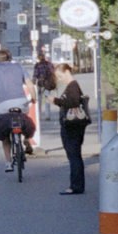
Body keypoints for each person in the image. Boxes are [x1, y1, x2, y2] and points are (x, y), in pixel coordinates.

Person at [0, 47, 35, 170]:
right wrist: (33, 98)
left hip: (3, 105)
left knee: (5, 132)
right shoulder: (18, 66)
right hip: (21, 103)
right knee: (24, 118)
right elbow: (30, 85)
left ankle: (8, 162)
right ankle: (26, 138)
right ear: (9, 57)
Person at [51, 63, 89, 195]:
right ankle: (76, 185)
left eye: (60, 76)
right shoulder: (72, 86)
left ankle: (75, 186)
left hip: (72, 127)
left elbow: (73, 102)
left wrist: (55, 100)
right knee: (74, 156)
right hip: (74, 127)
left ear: (67, 72)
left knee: (74, 156)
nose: (60, 79)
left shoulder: (73, 86)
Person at [32, 53, 56, 120]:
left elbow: (35, 75)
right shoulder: (49, 64)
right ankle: (47, 116)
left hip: (40, 84)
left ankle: (38, 116)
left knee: (39, 100)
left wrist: (33, 83)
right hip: (47, 84)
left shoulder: (37, 65)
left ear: (38, 58)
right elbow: (53, 72)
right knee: (47, 99)